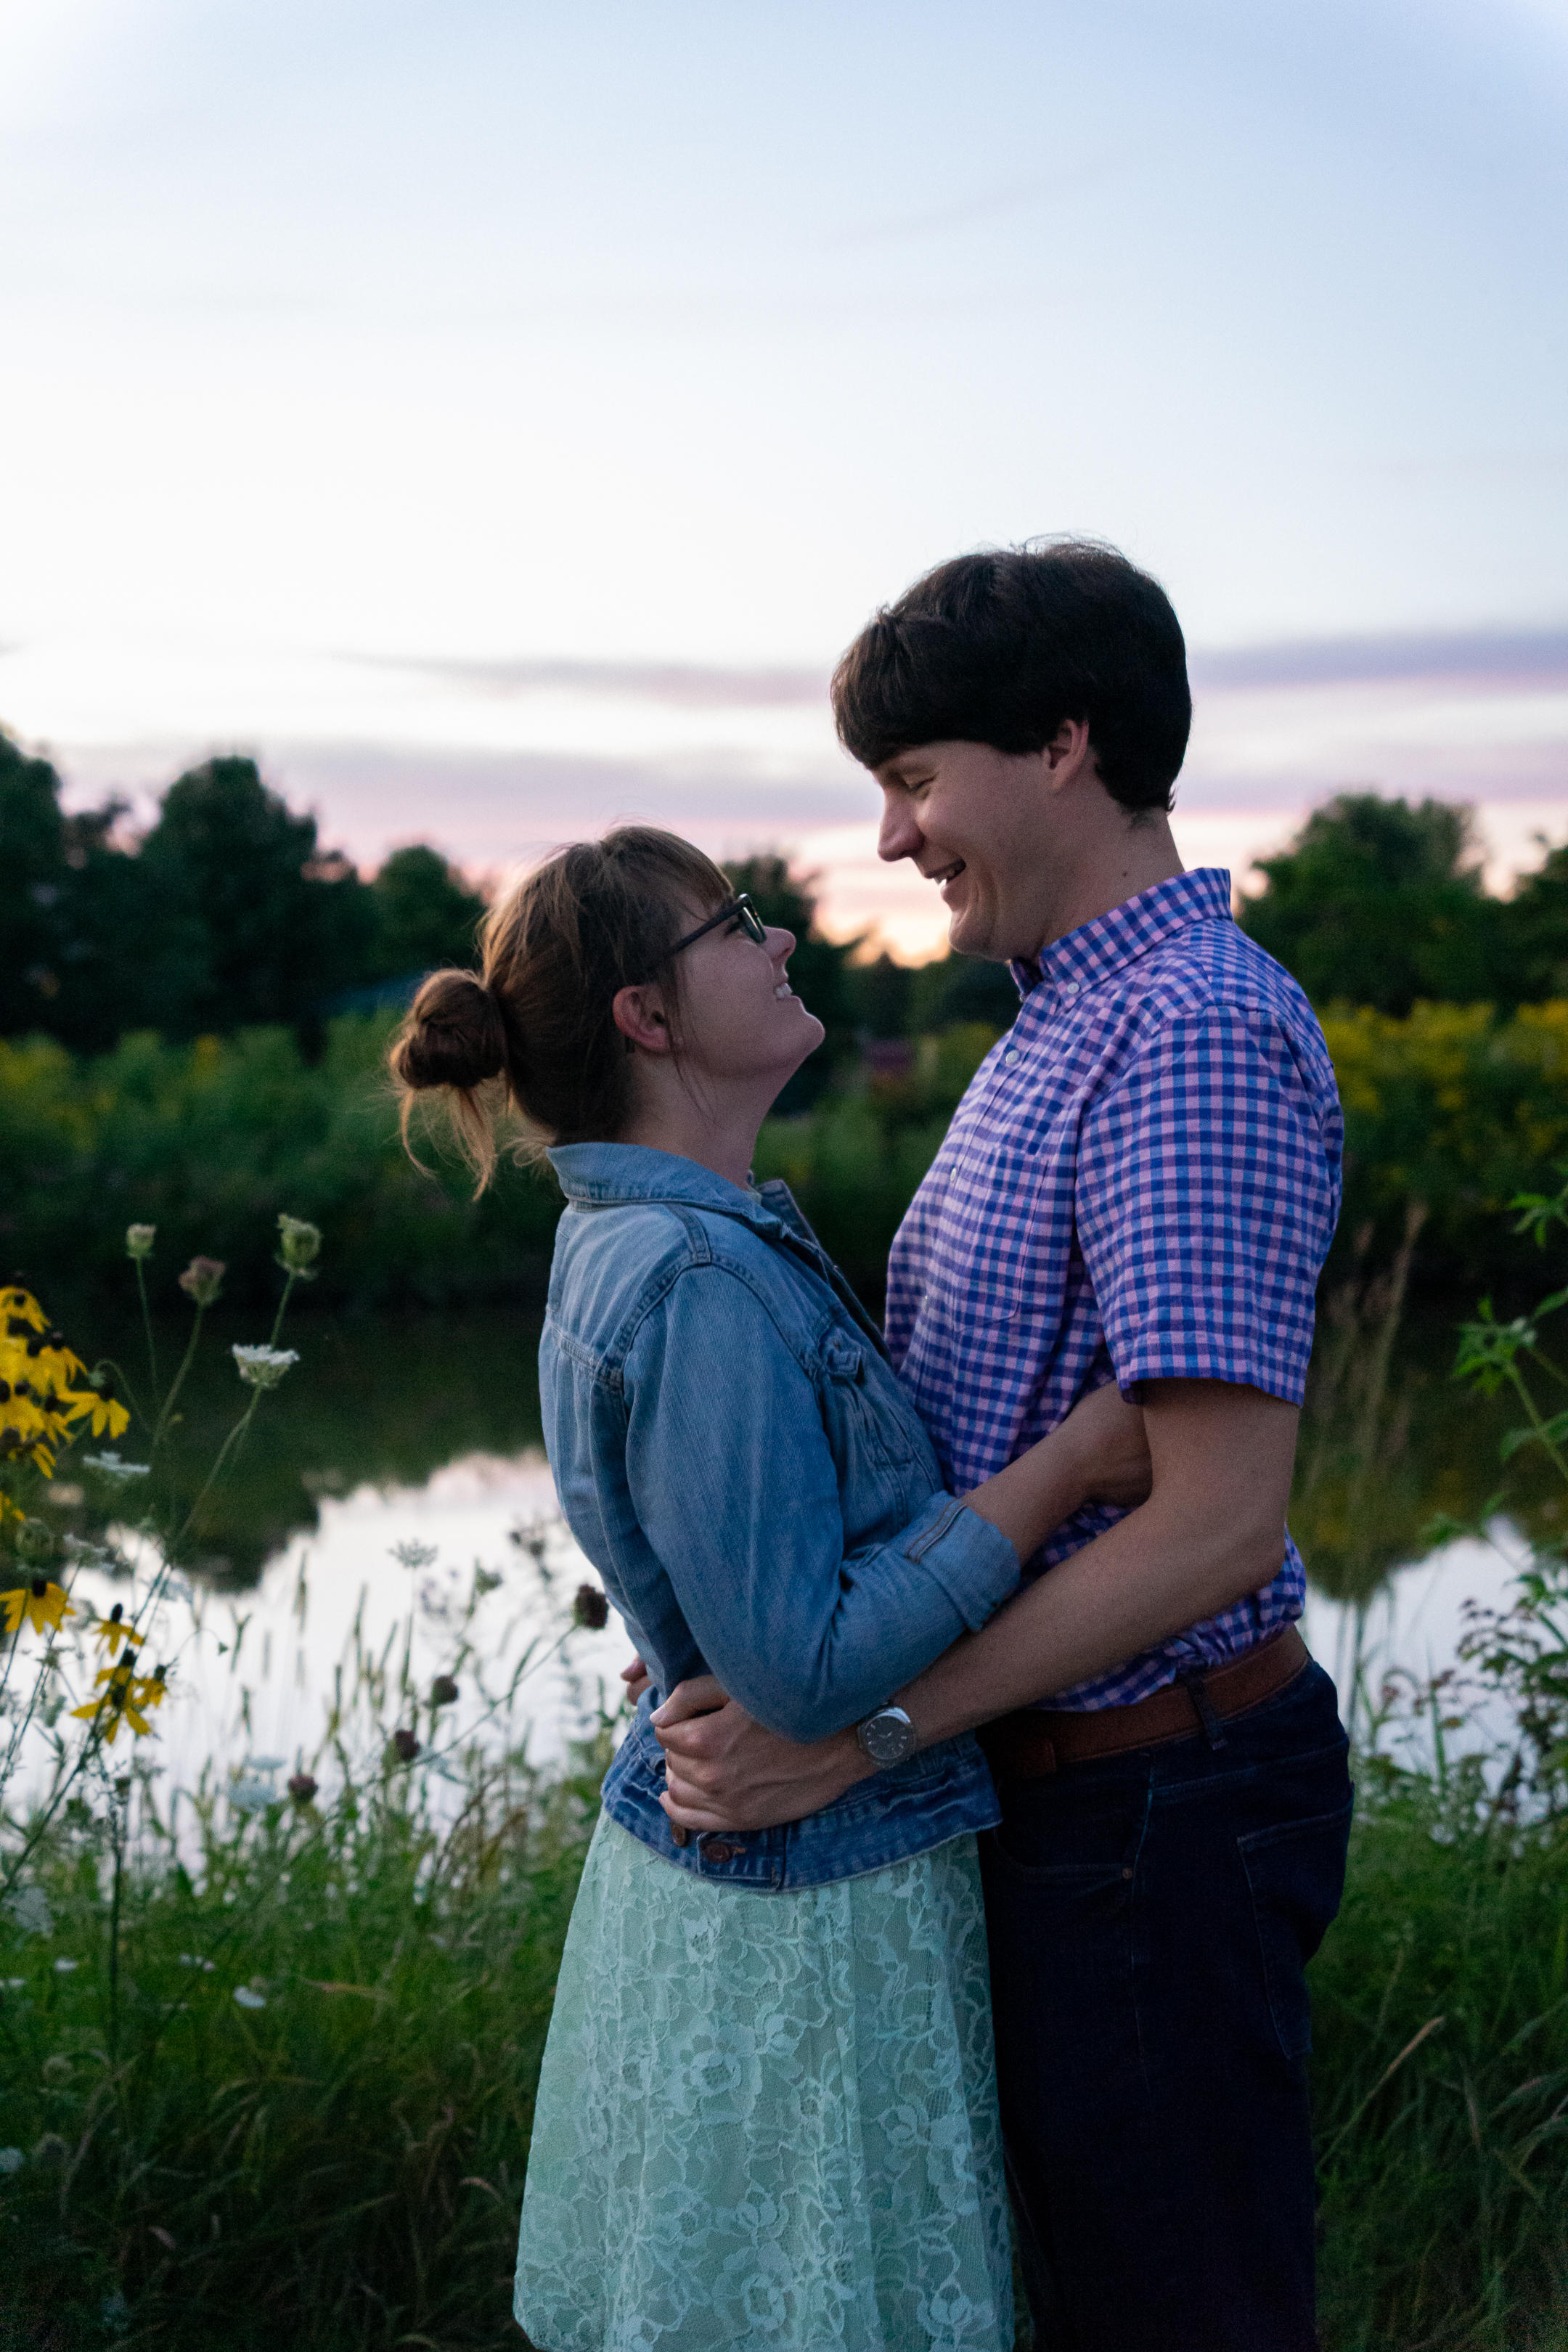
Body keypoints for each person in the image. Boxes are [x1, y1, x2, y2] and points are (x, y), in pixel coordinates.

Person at [655, 543, 1353, 2352]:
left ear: (1061, 745)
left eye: (912, 779)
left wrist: (854, 1737)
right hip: (1071, 1801)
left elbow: (1212, 1528)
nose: (891, 837)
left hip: (1157, 1813)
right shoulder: (1065, 1022)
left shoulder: (1185, 1033)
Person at [388, 823, 1153, 2352]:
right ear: (647, 1019)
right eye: (734, 924)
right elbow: (804, 1673)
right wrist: (1067, 1467)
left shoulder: (649, 1244)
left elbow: (731, 1586)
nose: (783, 936)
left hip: (763, 1879)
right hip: (809, 1907)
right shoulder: (693, 1278)